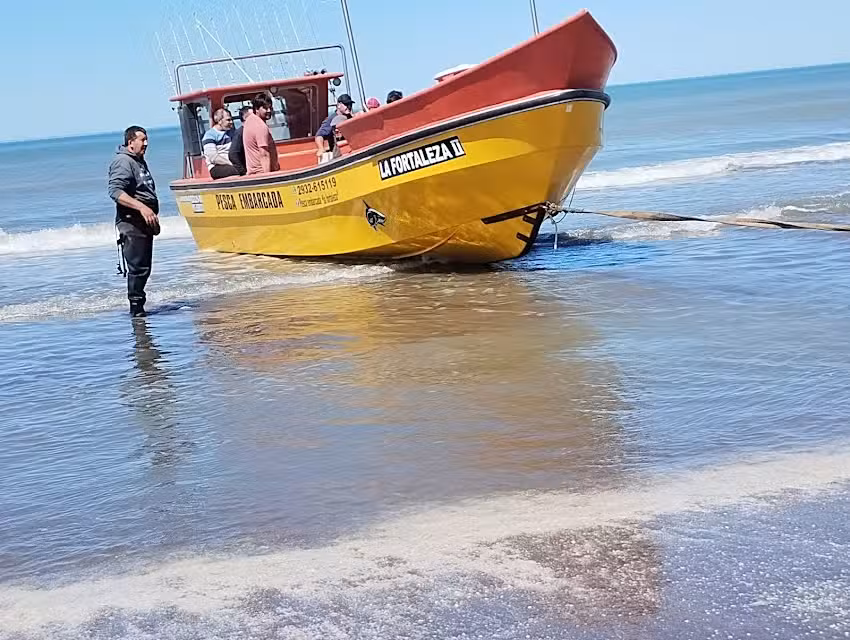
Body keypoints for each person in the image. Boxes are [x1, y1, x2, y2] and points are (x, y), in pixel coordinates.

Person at [108, 126, 159, 318]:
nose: (146, 143)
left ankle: (139, 309)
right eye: (142, 140)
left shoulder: (138, 160)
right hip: (131, 221)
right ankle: (136, 311)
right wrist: (142, 208)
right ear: (131, 142)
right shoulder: (123, 161)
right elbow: (115, 192)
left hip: (143, 220)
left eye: (146, 139)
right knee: (137, 268)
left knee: (144, 267)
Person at [242, 93, 280, 175]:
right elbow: (264, 154)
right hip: (261, 173)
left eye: (270, 107)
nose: (269, 111)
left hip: (254, 173)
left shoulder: (249, 120)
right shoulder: (260, 126)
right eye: (265, 108)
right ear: (256, 109)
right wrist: (267, 177)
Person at [314, 93, 354, 161]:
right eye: (346, 104)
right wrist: (321, 148)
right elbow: (319, 136)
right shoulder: (331, 120)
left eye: (350, 104)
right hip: (339, 155)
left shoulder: (351, 118)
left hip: (351, 151)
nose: (349, 106)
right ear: (338, 105)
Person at [203, 108, 239, 179]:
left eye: (232, 119)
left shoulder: (232, 133)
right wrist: (231, 163)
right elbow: (213, 157)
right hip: (217, 167)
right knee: (239, 170)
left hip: (233, 163)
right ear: (219, 121)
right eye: (228, 120)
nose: (231, 122)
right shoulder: (210, 135)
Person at [228, 105, 253, 176]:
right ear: (245, 118)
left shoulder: (252, 130)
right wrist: (243, 171)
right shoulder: (240, 132)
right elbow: (233, 154)